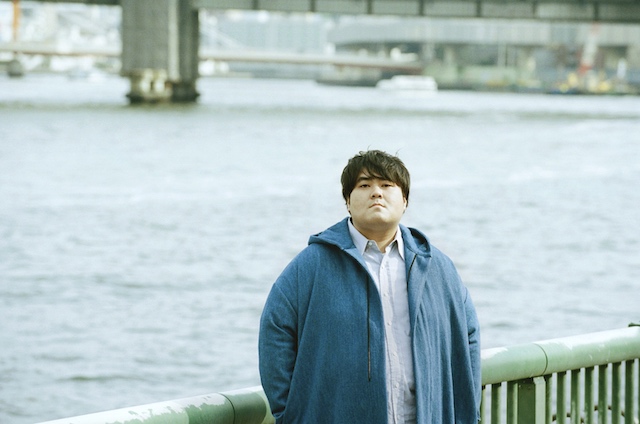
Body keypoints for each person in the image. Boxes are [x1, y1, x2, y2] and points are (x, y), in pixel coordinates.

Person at [258, 150, 481, 423]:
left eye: (387, 185)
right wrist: (290, 415)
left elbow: (469, 335)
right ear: (347, 202)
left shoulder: (437, 267)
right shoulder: (311, 265)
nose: (376, 193)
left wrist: (466, 410)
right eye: (364, 185)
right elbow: (275, 330)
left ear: (404, 200)